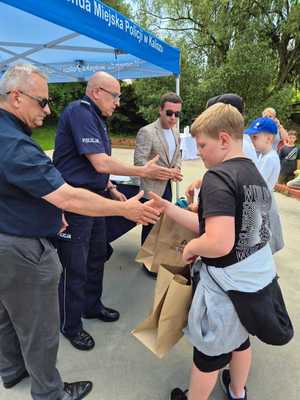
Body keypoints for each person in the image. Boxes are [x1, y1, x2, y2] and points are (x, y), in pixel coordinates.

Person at [0, 64, 161, 400]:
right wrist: (126, 206)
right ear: (16, 97)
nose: (48, 109)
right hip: (36, 235)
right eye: (41, 102)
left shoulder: (13, 134)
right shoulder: (21, 140)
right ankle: (52, 386)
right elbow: (75, 185)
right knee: (44, 316)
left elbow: (91, 169)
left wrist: (110, 192)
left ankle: (14, 367)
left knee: (11, 309)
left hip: (43, 219)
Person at [150, 103, 278, 400]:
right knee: (241, 341)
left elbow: (218, 241)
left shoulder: (218, 177)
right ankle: (237, 392)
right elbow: (226, 227)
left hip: (226, 287)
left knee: (208, 354)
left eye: (203, 145)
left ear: (223, 139)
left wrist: (191, 247)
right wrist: (169, 208)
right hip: (256, 284)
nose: (200, 154)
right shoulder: (254, 174)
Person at [53, 72, 180, 351]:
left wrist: (110, 187)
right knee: (75, 265)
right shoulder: (81, 112)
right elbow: (99, 162)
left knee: (97, 254)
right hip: (76, 203)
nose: (118, 103)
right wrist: (141, 170)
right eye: (115, 95)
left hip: (96, 198)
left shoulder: (97, 117)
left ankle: (91, 305)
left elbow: (93, 166)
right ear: (97, 92)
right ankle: (70, 325)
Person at [134, 92, 183, 249]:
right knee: (150, 224)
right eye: (169, 113)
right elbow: (139, 162)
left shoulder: (176, 132)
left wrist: (177, 168)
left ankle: (156, 258)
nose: (173, 118)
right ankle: (146, 261)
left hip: (167, 186)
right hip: (152, 188)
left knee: (164, 223)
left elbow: (177, 155)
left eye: (177, 114)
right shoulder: (147, 131)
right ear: (160, 110)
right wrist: (165, 172)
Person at [245, 117, 281, 190]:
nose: (251, 141)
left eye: (255, 137)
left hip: (261, 199)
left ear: (269, 139)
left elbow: (257, 183)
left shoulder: (270, 158)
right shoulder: (263, 155)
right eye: (251, 137)